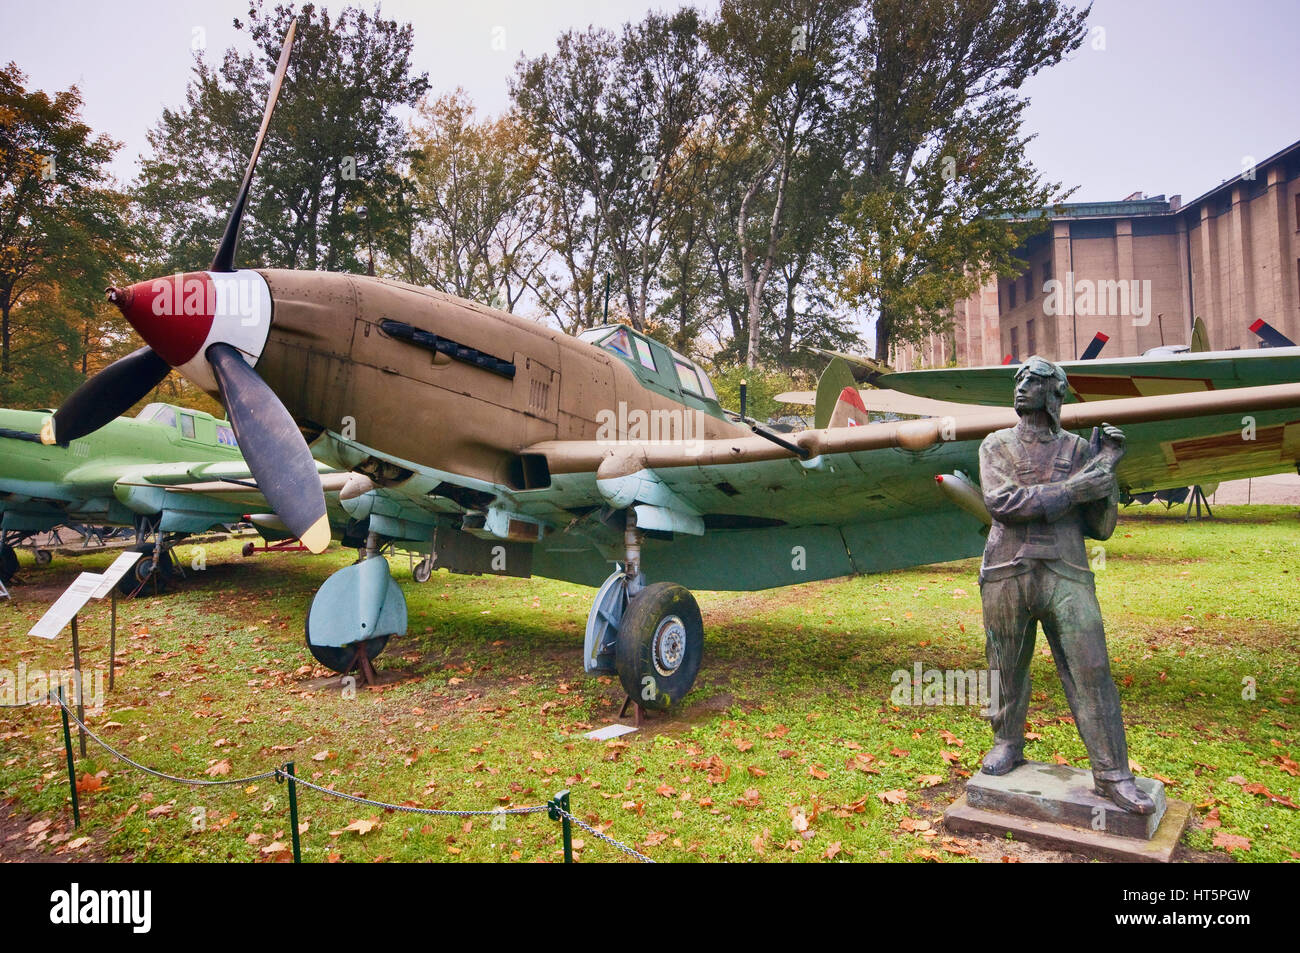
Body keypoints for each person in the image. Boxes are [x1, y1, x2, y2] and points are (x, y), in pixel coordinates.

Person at [977, 355, 1154, 814]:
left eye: (1033, 381)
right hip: (1007, 569)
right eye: (1018, 380)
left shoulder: (1080, 450)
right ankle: (1006, 742)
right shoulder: (996, 445)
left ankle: (1113, 773)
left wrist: (1107, 471)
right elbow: (1003, 504)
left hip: (1066, 570)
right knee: (1004, 665)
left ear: (1056, 392)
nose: (1020, 387)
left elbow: (1101, 526)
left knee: (1090, 668)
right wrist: (1077, 489)